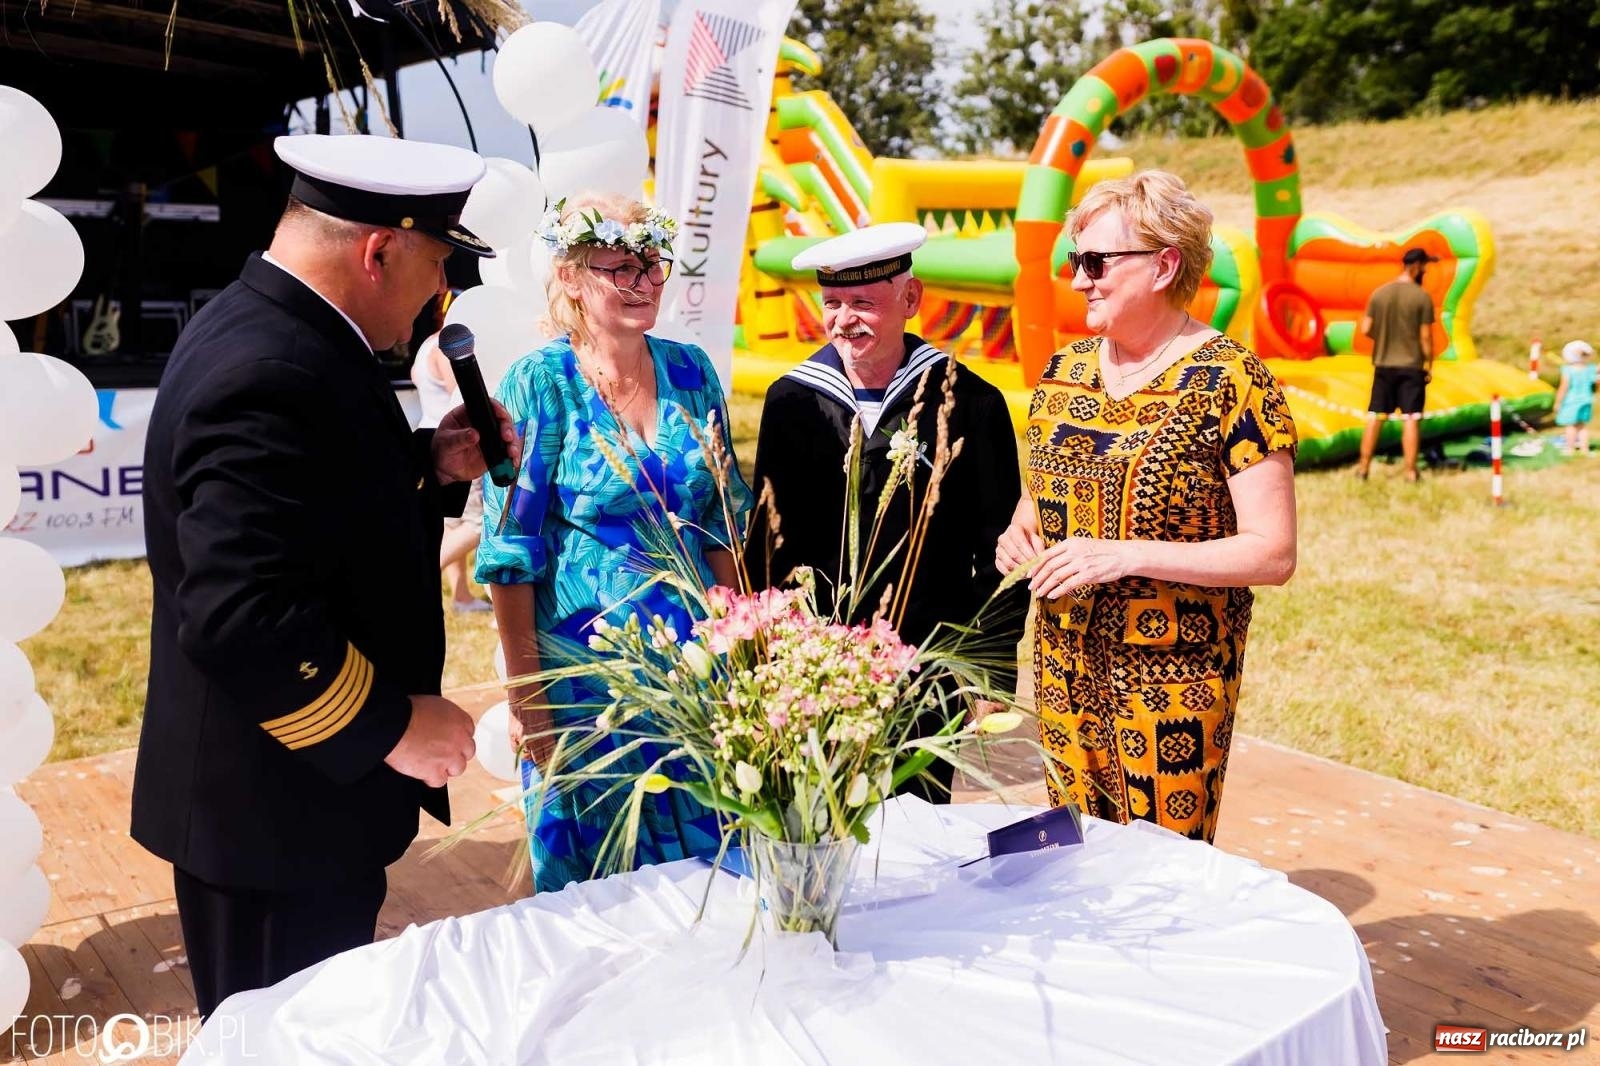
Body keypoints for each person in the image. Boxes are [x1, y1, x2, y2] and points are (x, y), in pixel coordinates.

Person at [134, 134, 518, 1017]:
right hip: (275, 817)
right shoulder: (272, 365)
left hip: (293, 801)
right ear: (378, 249)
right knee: (285, 1035)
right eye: (438, 267)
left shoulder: (280, 327)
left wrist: (430, 460)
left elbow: (315, 495)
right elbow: (241, 613)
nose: (439, 295)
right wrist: (390, 727)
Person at [994, 171, 1298, 843]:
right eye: (1075, 261)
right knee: (1072, 860)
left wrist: (1123, 556)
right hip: (1061, 672)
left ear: (1163, 265)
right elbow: (1040, 494)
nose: (1078, 280)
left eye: (1096, 262)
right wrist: (1019, 531)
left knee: (1162, 875)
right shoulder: (1062, 372)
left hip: (1170, 686)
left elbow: (1272, 552)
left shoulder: (1232, 381)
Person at [477, 192, 751, 894]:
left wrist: (749, 653)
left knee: (714, 870)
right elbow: (509, 555)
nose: (642, 284)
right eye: (619, 268)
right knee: (595, 891)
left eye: (651, 266)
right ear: (571, 276)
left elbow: (724, 527)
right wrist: (527, 699)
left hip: (699, 675)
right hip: (583, 686)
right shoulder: (540, 382)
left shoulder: (691, 371)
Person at [746, 222, 1025, 803]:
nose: (846, 320)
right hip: (813, 660)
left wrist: (984, 667)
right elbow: (767, 542)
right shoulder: (792, 401)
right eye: (833, 303)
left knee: (916, 830)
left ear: (911, 299)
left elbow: (1002, 550)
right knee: (812, 822)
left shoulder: (971, 402)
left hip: (926, 664)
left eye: (864, 303)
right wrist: (762, 652)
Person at [410, 298, 491, 612]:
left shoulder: (424, 346)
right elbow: (461, 393)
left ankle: (460, 597)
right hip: (455, 441)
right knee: (478, 523)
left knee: (453, 525)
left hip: (434, 434)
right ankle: (424, 575)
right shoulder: (447, 349)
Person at [1356, 247, 1438, 481]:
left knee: (1375, 415)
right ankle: (1411, 471)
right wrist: (1428, 365)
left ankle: (1363, 468)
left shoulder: (1379, 293)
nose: (1425, 271)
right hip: (1411, 366)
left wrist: (1384, 339)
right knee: (1411, 418)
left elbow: (1366, 329)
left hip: (1383, 365)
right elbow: (1425, 337)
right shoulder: (1421, 297)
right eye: (1424, 267)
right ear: (1416, 267)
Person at [1554, 340, 1596, 456]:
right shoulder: (1591, 369)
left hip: (1571, 402)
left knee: (1571, 426)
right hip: (1586, 400)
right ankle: (1585, 449)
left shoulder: (1567, 370)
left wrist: (1557, 402)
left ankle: (1570, 449)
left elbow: (1564, 387)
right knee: (1582, 426)